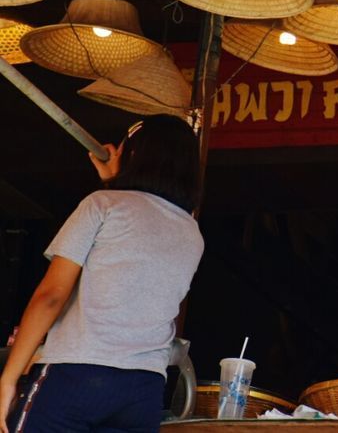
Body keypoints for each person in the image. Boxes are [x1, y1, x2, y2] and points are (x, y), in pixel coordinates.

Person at [0, 115, 204, 433]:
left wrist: (9, 377)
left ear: (135, 156)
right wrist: (116, 181)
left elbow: (51, 296)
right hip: (143, 392)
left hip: (76, 376)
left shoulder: (102, 205)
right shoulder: (192, 233)